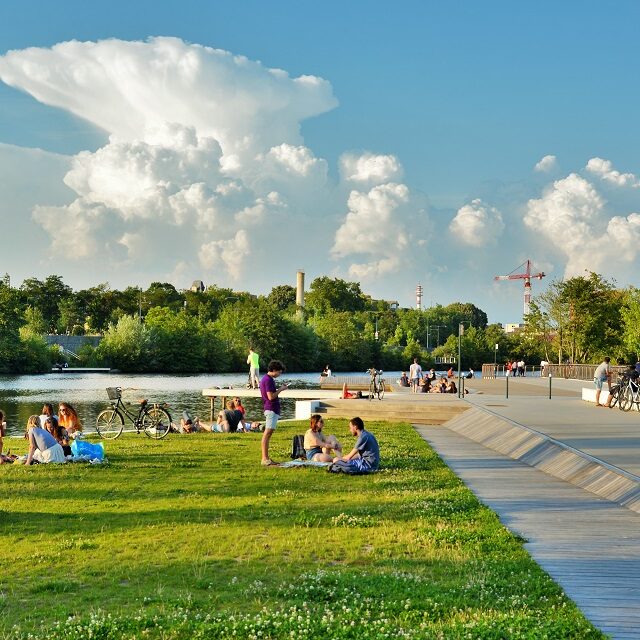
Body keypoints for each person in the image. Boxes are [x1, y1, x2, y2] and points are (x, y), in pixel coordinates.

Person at [259, 360, 288, 466]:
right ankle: (265, 459)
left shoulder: (267, 379)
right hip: (271, 409)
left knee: (268, 434)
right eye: (279, 372)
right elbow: (270, 397)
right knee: (267, 434)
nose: (279, 374)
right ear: (274, 370)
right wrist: (281, 389)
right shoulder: (268, 380)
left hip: (271, 409)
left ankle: (266, 458)